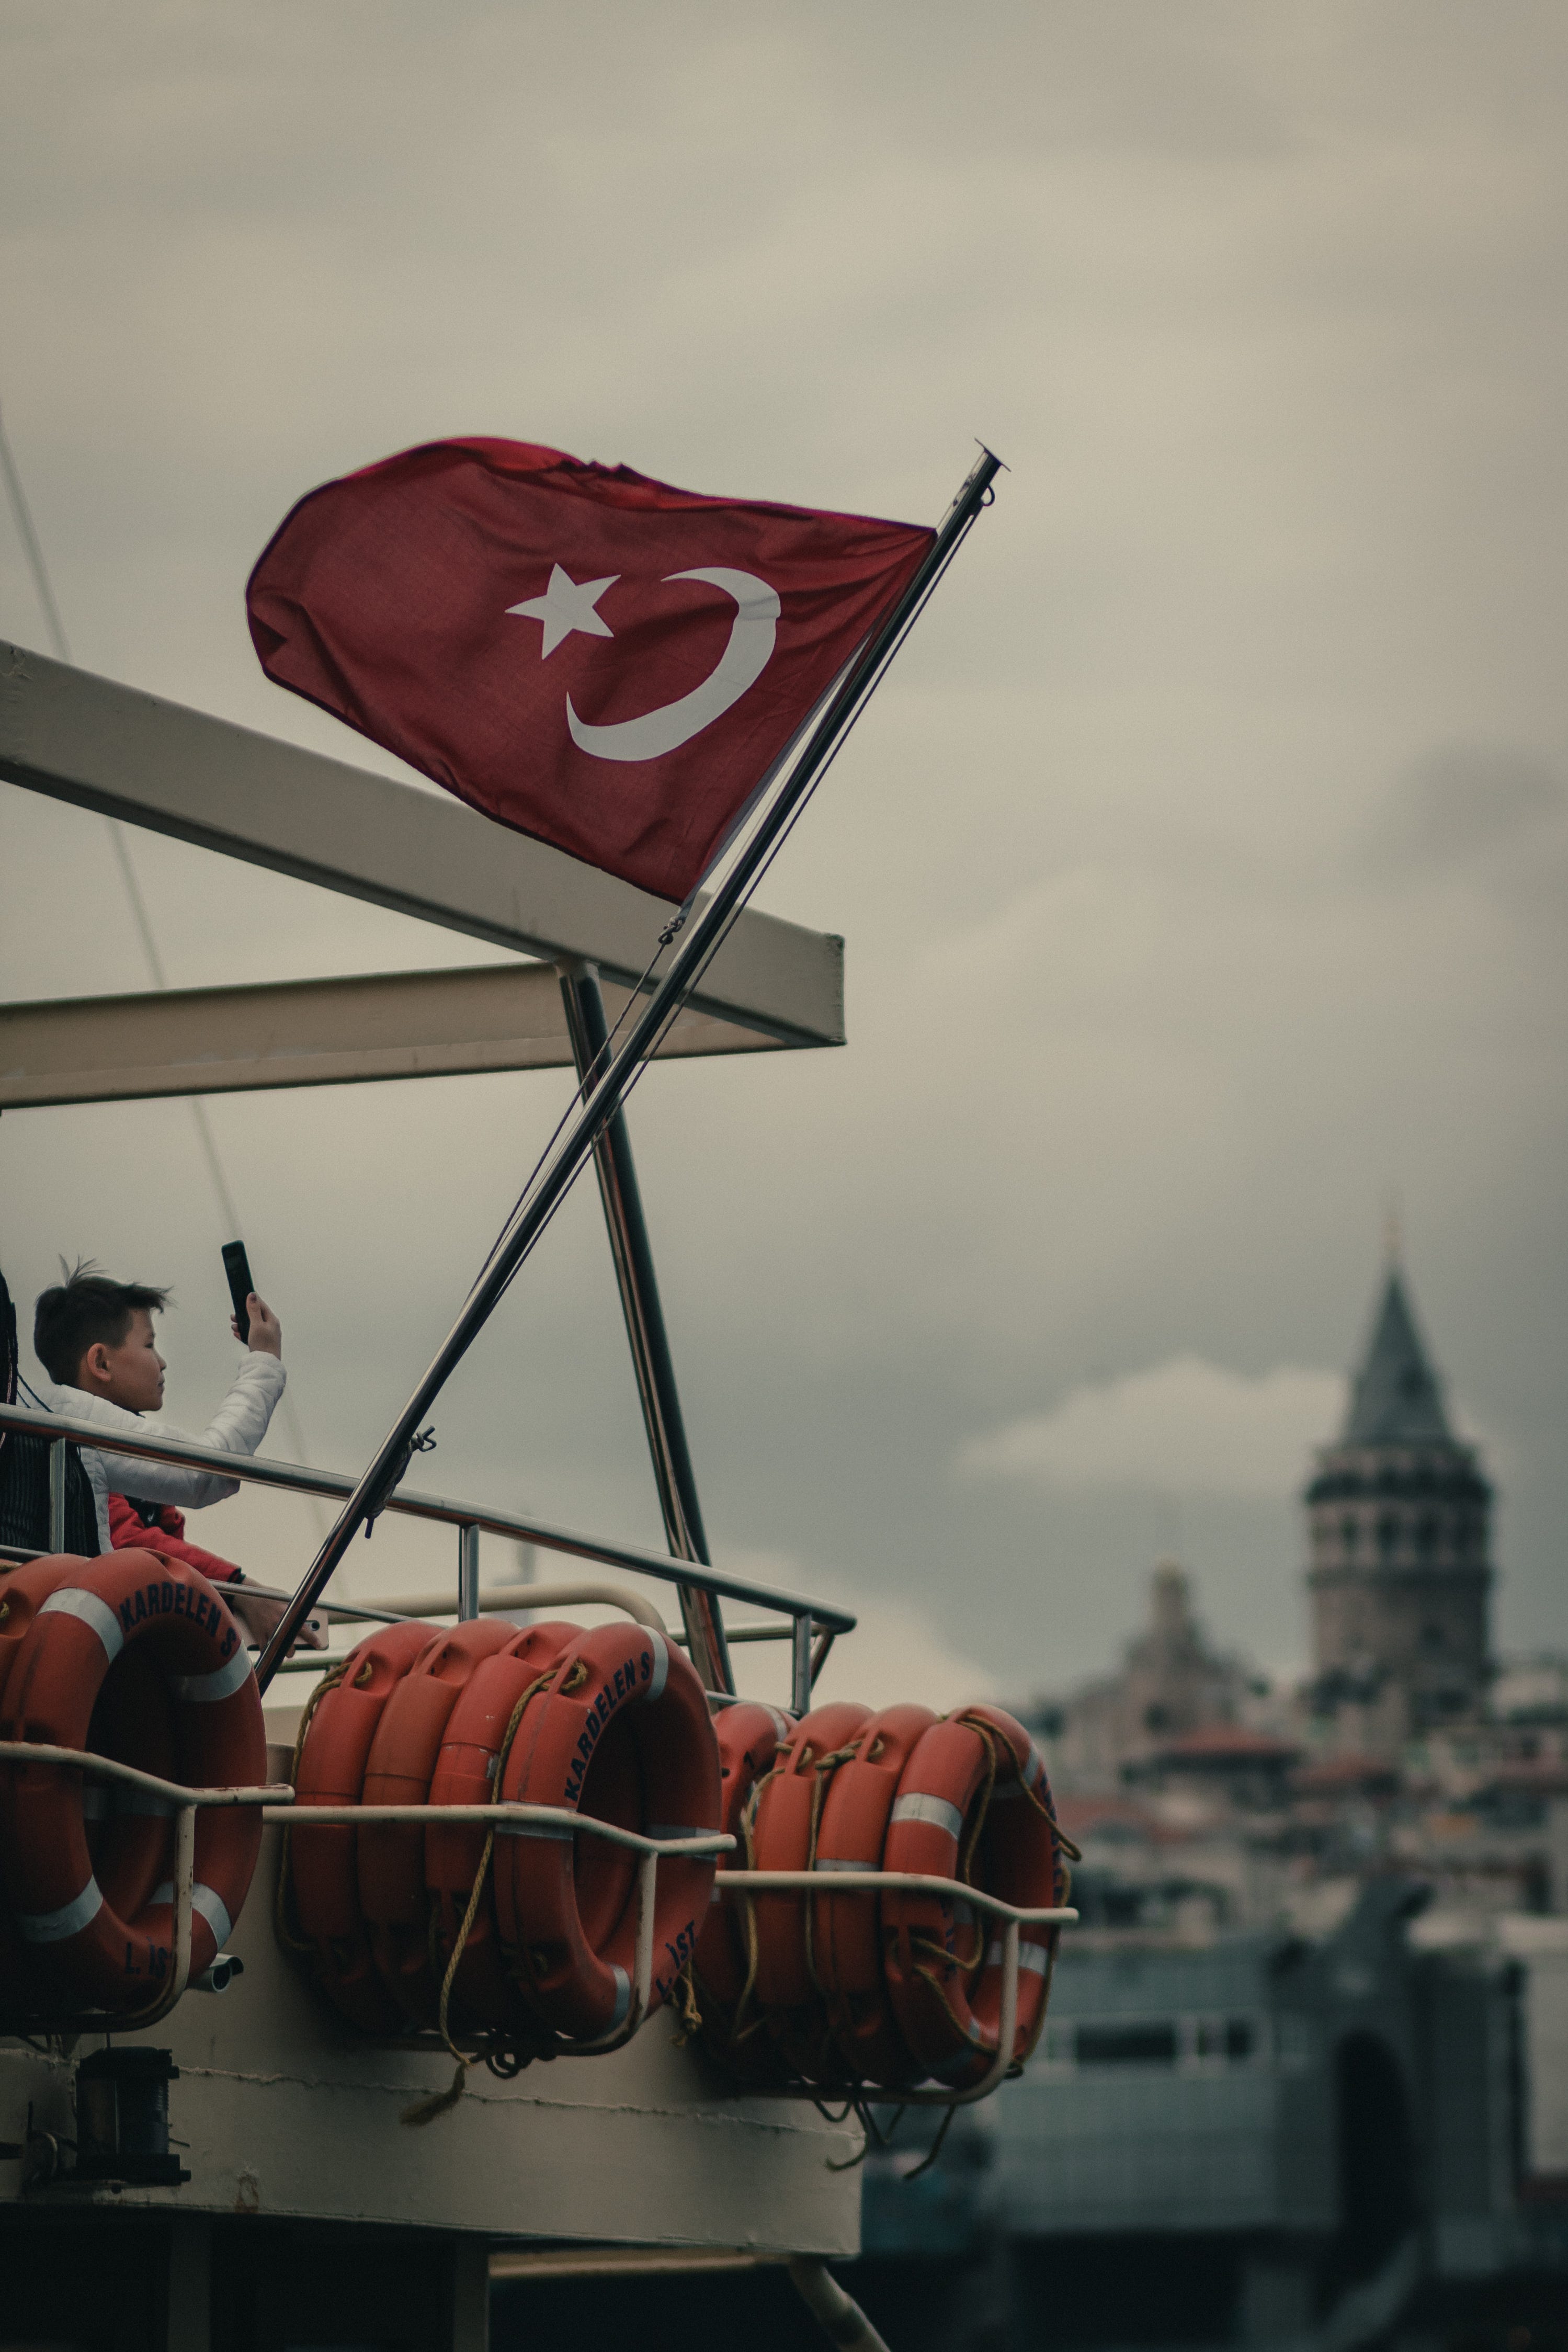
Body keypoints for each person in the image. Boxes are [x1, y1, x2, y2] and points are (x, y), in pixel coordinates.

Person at [31, 1262, 323, 1653]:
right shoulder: (77, 1433)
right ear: (101, 1363)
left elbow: (163, 1541)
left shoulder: (63, 1427)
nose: (162, 1361)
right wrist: (265, 1360)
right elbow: (203, 1477)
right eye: (149, 1345)